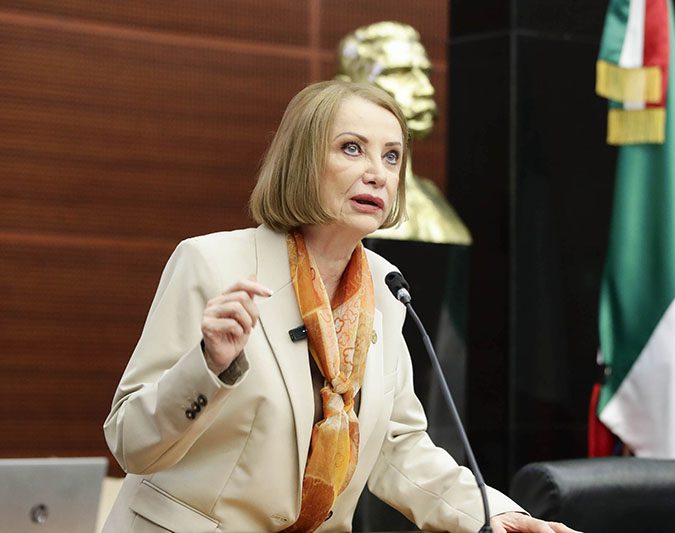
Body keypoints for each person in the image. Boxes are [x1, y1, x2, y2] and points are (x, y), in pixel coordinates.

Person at [102, 80, 578, 533]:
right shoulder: (211, 263)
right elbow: (130, 442)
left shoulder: (384, 287)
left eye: (391, 156)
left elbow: (399, 446)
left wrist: (492, 514)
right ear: (302, 161)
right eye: (352, 148)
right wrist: (208, 365)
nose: (378, 173)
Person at [338, 21, 472, 246]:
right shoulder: (340, 198)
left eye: (424, 73)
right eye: (400, 73)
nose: (426, 89)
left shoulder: (432, 197)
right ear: (346, 87)